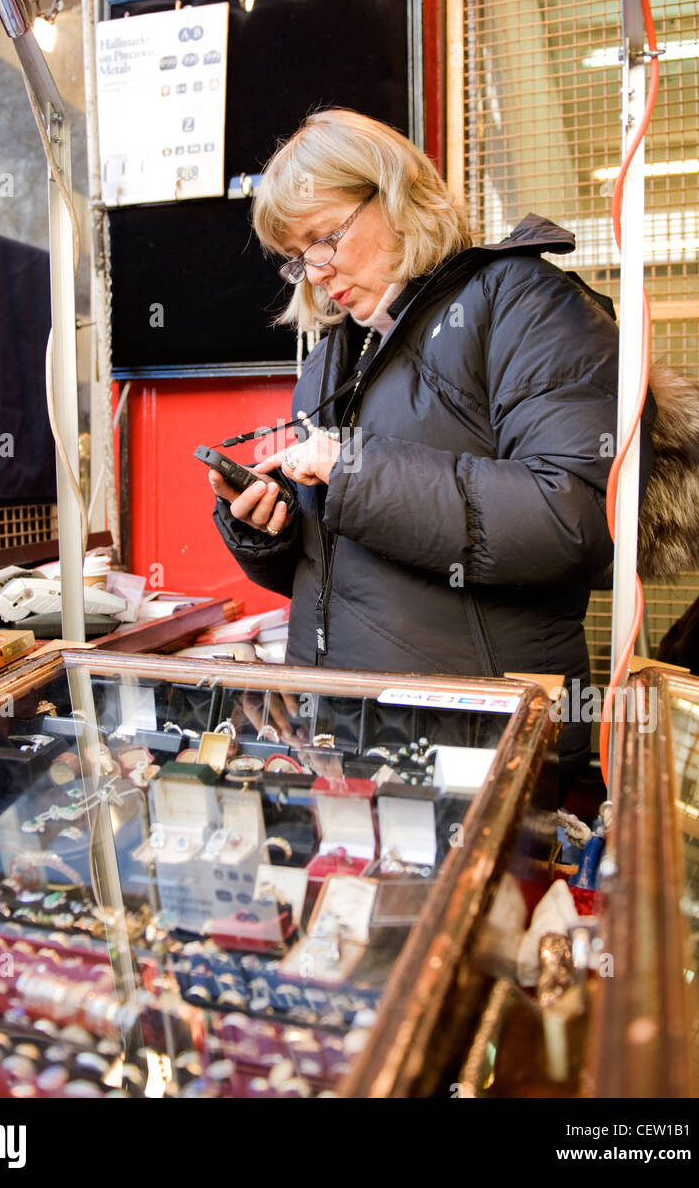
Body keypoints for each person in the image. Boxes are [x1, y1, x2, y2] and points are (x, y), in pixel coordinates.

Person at [208, 109, 655, 789]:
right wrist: (269, 529)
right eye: (298, 257)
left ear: (394, 195)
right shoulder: (332, 361)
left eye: (324, 238)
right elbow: (342, 573)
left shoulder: (524, 304)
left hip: (484, 746)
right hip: (344, 741)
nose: (316, 272)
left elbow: (578, 517)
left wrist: (352, 472)